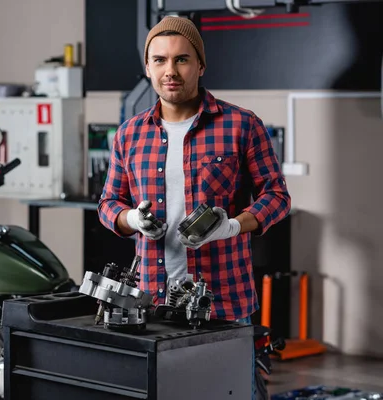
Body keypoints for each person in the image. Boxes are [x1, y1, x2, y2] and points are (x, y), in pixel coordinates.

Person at [97, 16, 291, 399]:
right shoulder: (129, 133)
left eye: (182, 60)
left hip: (223, 300)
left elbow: (277, 196)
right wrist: (131, 218)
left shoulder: (241, 125)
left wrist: (232, 226)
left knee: (231, 393)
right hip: (150, 303)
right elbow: (108, 203)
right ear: (147, 67)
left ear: (200, 65)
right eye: (160, 60)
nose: (170, 71)